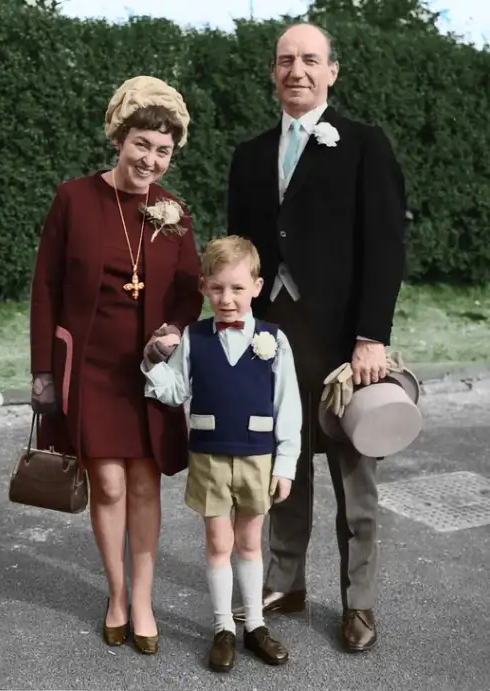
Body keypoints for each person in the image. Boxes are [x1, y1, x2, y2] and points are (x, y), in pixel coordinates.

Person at [225, 22, 408, 652]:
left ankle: (358, 603)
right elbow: (240, 254)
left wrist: (371, 338)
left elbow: (385, 249)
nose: (296, 71)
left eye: (309, 60)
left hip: (343, 343)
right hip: (271, 336)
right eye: (285, 61)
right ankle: (287, 579)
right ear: (272, 73)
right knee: (284, 464)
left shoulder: (364, 144)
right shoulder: (248, 155)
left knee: (356, 478)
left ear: (332, 71)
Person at [29, 75, 203, 654]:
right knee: (105, 483)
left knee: (145, 485)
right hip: (92, 366)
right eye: (141, 145)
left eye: (162, 151)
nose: (149, 159)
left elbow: (188, 289)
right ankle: (118, 595)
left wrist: (174, 328)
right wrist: (43, 370)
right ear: (119, 139)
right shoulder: (73, 197)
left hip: (146, 371)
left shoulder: (173, 212)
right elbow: (45, 287)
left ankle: (146, 602)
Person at [140, 236, 301, 672]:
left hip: (256, 457)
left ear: (256, 286)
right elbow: (174, 392)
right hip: (209, 457)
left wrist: (285, 464)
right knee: (218, 543)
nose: (226, 299)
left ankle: (255, 626)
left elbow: (289, 408)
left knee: (249, 542)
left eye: (236, 288)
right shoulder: (193, 339)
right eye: (217, 289)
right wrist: (153, 362)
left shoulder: (274, 340)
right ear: (204, 288)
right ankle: (223, 627)